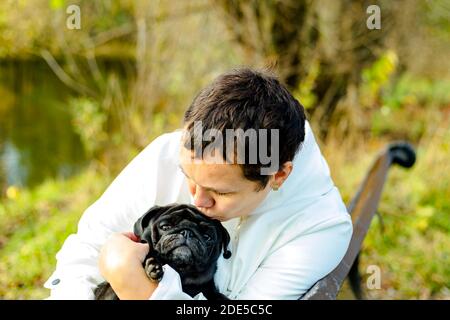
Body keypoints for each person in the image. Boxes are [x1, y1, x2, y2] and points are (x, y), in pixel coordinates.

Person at [44, 68, 353, 300]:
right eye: (188, 178)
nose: (197, 200)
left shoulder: (318, 227)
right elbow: (84, 252)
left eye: (220, 191)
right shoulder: (164, 154)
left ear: (278, 175)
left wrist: (140, 289)